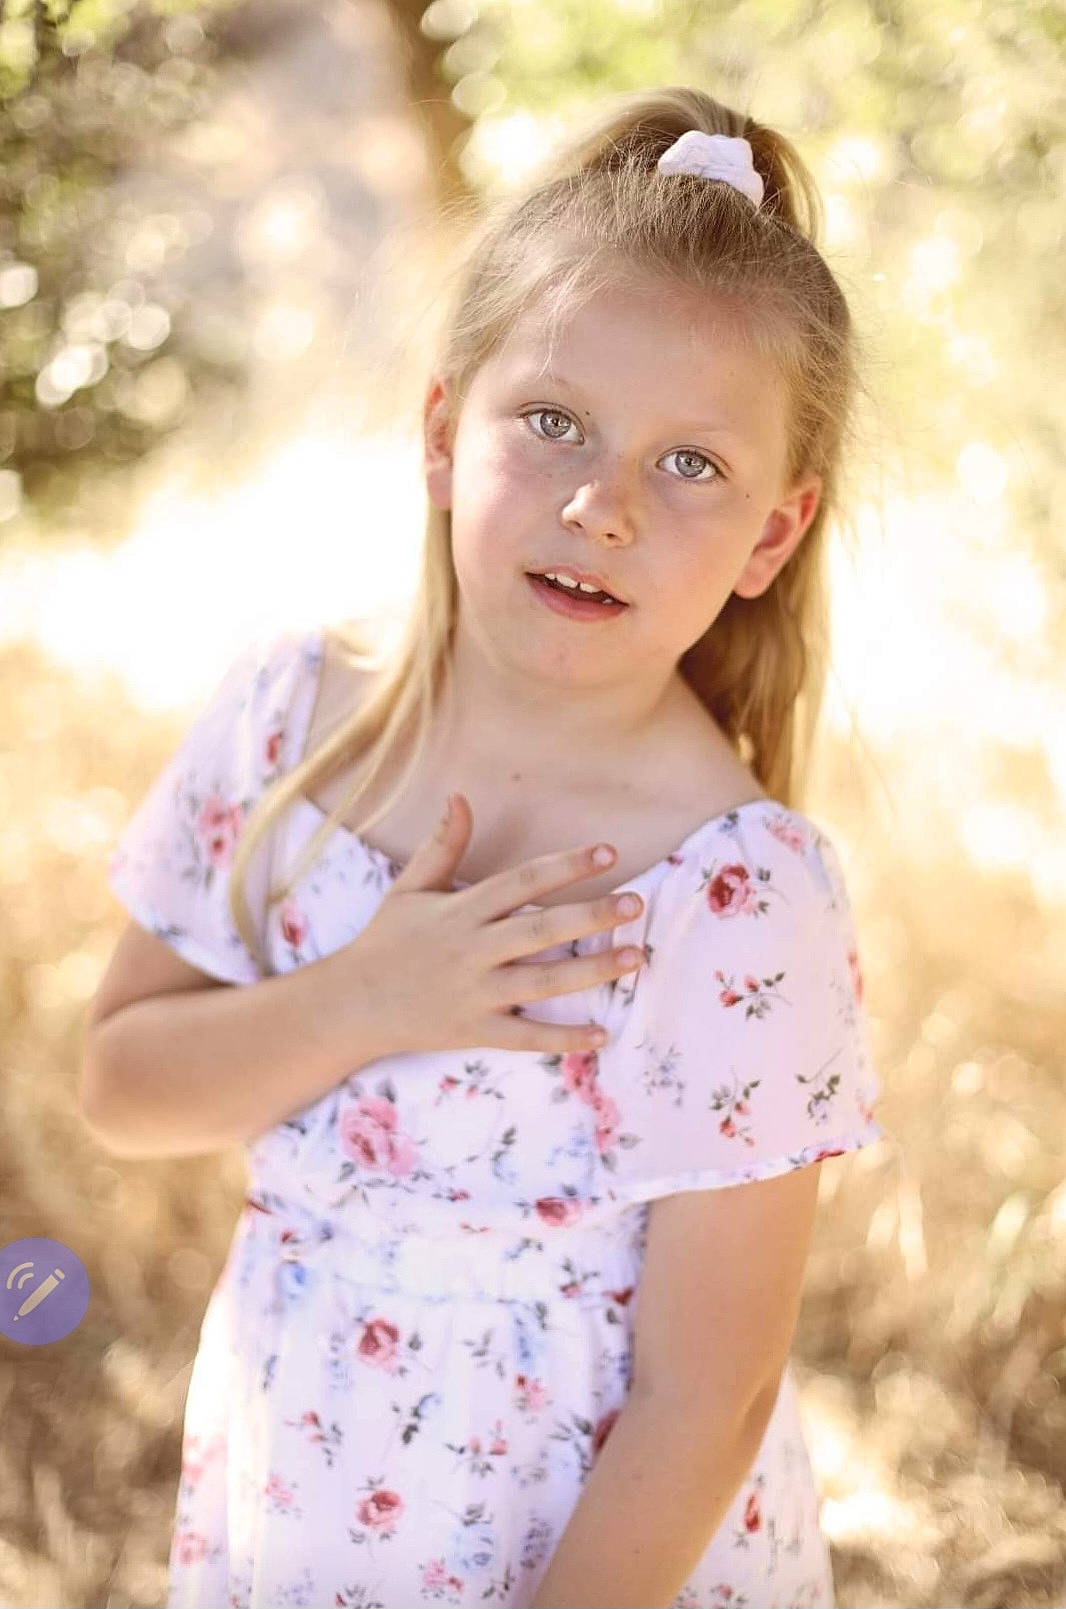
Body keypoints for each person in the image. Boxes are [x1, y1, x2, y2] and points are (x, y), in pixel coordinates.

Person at [83, 85, 889, 1609]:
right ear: (447, 433)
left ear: (771, 538)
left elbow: (704, 1398)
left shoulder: (733, 889)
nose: (600, 505)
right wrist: (363, 998)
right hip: (300, 1500)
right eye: (553, 422)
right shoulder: (289, 722)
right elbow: (122, 1088)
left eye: (690, 465)